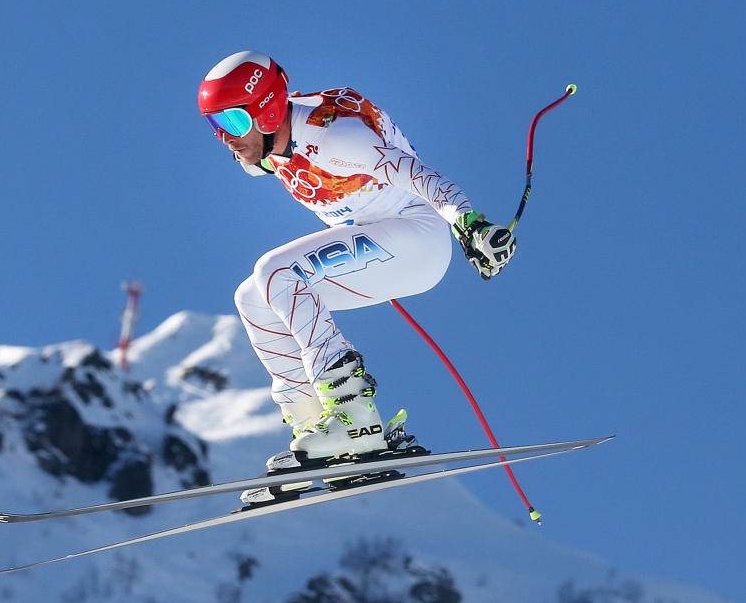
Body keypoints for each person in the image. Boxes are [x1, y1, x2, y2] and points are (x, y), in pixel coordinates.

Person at [198, 51, 516, 478]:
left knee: (275, 272)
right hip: (380, 239)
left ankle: (354, 418)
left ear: (268, 111)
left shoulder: (336, 137)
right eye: (215, 126)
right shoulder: (270, 149)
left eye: (233, 122)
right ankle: (314, 427)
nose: (226, 138)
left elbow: (418, 175)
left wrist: (470, 224)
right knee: (253, 297)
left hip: (416, 236)